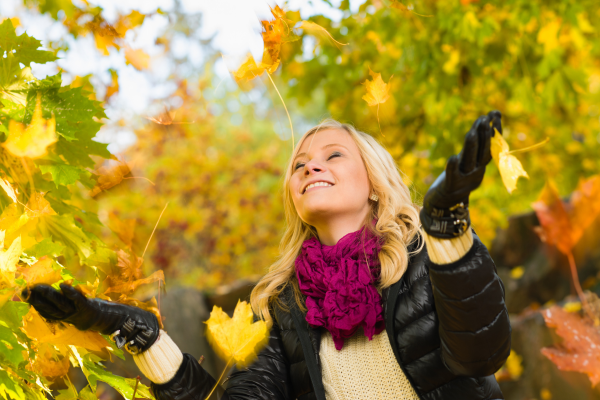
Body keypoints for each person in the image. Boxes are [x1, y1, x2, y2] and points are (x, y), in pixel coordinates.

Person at [24, 112, 511, 400]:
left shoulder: (429, 256)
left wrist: (446, 221)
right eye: (299, 164)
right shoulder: (282, 304)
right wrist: (141, 335)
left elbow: (480, 353)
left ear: (375, 185)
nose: (310, 164)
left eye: (333, 155)